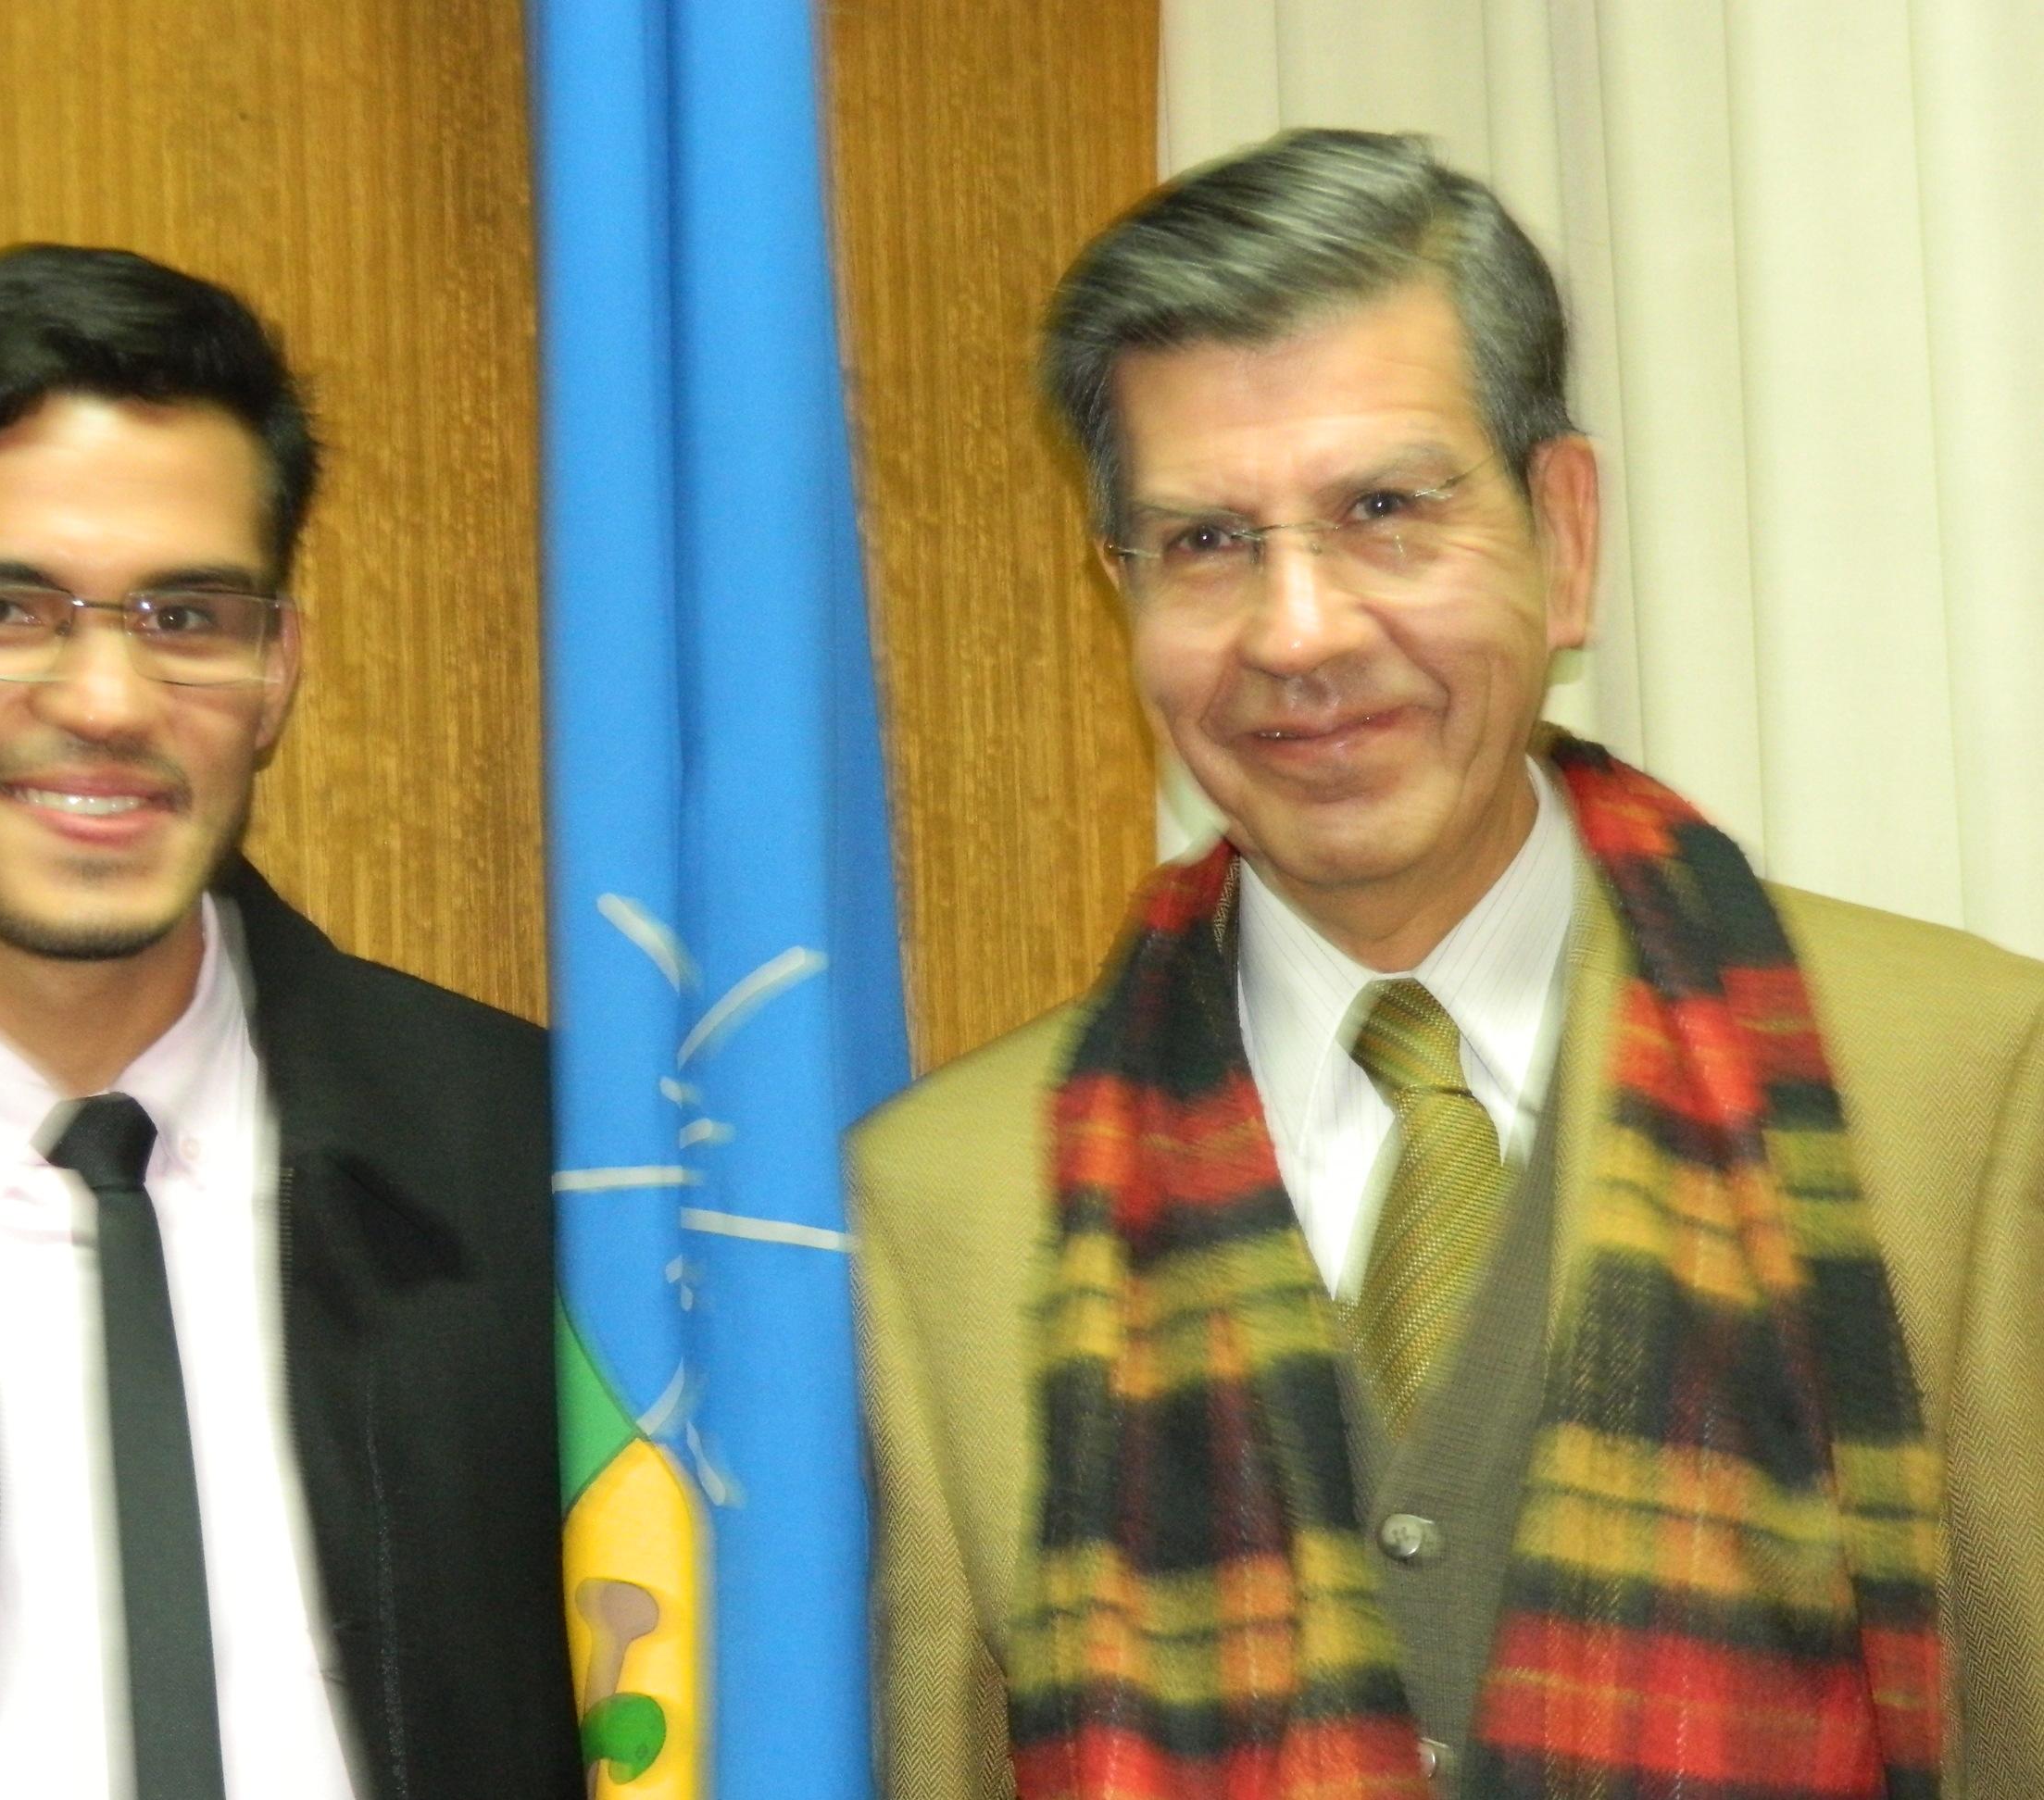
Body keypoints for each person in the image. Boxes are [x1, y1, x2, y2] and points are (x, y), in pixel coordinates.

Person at [853, 130, 2044, 1800]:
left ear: (1563, 537)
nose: (1300, 631)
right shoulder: (939, 1211)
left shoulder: (1971, 1093)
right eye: (1204, 543)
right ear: (1114, 591)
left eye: (1385, 512)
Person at [0, 245, 582, 1799]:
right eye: (1, 606)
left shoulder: (548, 1179)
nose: (105, 698)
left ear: (278, 667)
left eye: (187, 614)